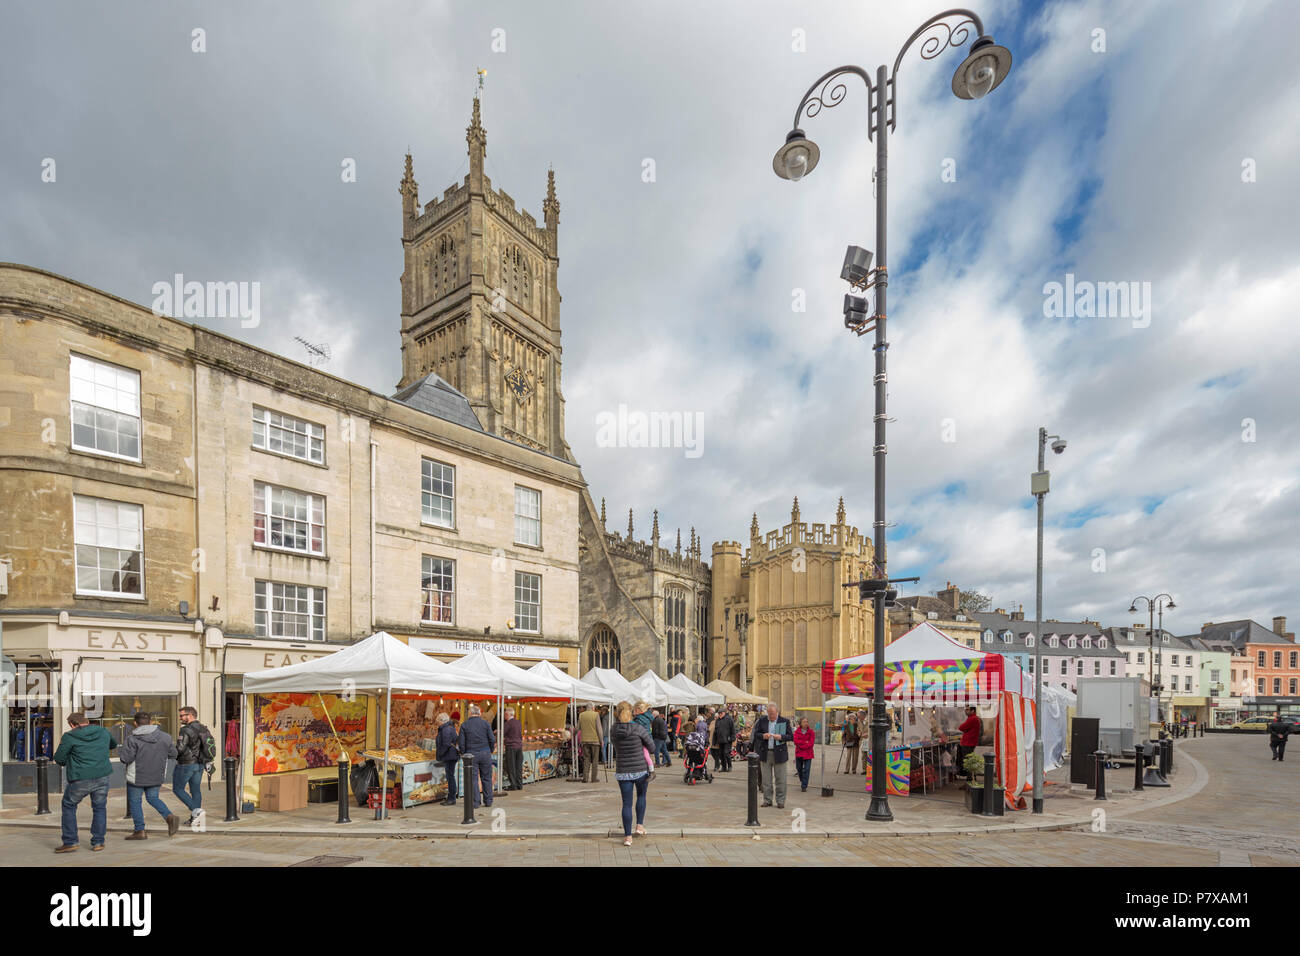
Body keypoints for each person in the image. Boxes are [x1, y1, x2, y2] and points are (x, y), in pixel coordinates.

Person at [52, 712, 117, 853]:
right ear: (87, 721)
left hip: (80, 778)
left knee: (69, 806)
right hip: (102, 775)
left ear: (71, 724)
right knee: (99, 808)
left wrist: (70, 758)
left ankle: (70, 842)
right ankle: (98, 842)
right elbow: (113, 744)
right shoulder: (103, 731)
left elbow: (59, 759)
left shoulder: (69, 736)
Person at [119, 712, 180, 839]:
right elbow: (173, 754)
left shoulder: (132, 739)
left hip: (136, 776)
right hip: (156, 774)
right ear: (151, 722)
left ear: (135, 723)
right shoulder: (165, 737)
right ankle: (169, 816)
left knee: (135, 802)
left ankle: (140, 831)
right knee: (153, 798)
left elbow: (125, 758)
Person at [611, 701, 654, 847]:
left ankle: (628, 837)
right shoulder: (638, 728)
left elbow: (614, 744)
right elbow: (652, 747)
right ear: (631, 712)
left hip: (623, 770)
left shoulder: (613, 730)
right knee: (641, 796)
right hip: (640, 769)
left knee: (626, 803)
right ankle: (639, 826)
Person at [751, 703, 795, 808]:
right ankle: (767, 800)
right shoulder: (762, 721)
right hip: (765, 753)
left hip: (780, 753)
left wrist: (781, 737)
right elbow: (756, 734)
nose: (771, 716)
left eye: (773, 714)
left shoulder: (784, 721)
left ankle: (780, 801)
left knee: (781, 779)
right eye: (769, 714)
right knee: (766, 780)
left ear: (777, 712)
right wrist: (763, 736)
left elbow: (791, 736)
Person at [173, 705, 212, 826]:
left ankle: (197, 812)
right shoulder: (203, 728)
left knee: (178, 789)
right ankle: (195, 820)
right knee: (195, 791)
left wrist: (170, 750)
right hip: (200, 764)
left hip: (186, 765)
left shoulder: (185, 730)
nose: (180, 718)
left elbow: (180, 748)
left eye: (182, 716)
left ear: (189, 715)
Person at [458, 704, 496, 807]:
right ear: (479, 713)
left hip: (471, 754)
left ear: (470, 713)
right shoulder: (486, 724)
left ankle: (476, 802)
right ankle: (488, 801)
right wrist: (490, 750)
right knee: (487, 777)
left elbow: (461, 743)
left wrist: (464, 753)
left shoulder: (464, 725)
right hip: (485, 753)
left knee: (473, 779)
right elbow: (492, 739)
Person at [434, 712, 460, 805]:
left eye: (438, 722)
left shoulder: (446, 729)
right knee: (450, 776)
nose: (437, 723)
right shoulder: (449, 728)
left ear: (442, 721)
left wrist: (440, 754)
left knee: (450, 777)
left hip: (450, 756)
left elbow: (446, 744)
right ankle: (451, 796)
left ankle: (452, 798)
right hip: (451, 755)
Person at [579, 704, 603, 782]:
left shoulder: (581, 715)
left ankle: (585, 778)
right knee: (595, 760)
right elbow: (599, 729)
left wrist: (573, 734)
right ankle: (594, 778)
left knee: (586, 759)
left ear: (586, 708)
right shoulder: (596, 714)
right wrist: (601, 740)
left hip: (585, 741)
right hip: (595, 741)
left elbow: (577, 727)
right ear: (593, 708)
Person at [502, 707, 524, 791]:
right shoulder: (518, 722)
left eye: (505, 714)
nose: (504, 716)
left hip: (511, 747)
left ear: (507, 714)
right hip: (519, 746)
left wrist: (498, 732)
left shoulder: (508, 723)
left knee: (511, 767)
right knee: (518, 767)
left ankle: (513, 785)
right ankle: (519, 784)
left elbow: (503, 734)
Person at [957, 706, 982, 776]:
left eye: (967, 710)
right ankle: (971, 778)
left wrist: (966, 730)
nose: (965, 711)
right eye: (965, 709)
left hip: (968, 743)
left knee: (968, 761)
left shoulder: (972, 719)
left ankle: (970, 779)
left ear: (973, 711)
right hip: (970, 742)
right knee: (969, 761)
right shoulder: (973, 718)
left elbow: (961, 727)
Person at [793, 717, 816, 792]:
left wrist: (802, 743)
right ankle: (803, 780)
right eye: (804, 722)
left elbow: (811, 743)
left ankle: (804, 786)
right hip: (799, 753)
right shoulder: (797, 732)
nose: (806, 723)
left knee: (806, 769)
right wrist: (805, 742)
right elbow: (796, 742)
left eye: (807, 721)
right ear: (801, 723)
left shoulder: (811, 732)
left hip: (808, 754)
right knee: (799, 769)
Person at [713, 707, 735, 772]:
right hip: (720, 740)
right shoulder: (717, 720)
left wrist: (732, 738)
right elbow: (715, 731)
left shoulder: (729, 719)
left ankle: (730, 766)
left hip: (727, 740)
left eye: (721, 713)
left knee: (726, 753)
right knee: (721, 754)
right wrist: (714, 741)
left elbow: (733, 730)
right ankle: (724, 767)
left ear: (724, 713)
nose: (720, 714)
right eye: (719, 713)